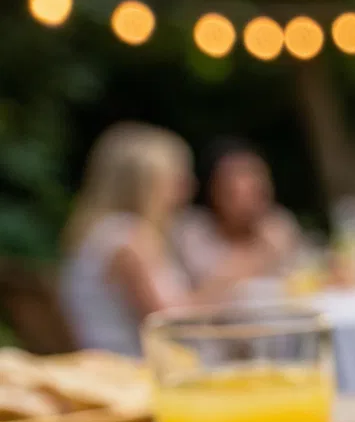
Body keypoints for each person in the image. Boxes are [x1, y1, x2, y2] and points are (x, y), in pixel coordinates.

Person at [59, 123, 265, 356]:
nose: (189, 188)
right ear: (147, 185)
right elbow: (171, 326)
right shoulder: (130, 240)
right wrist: (233, 271)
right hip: (138, 372)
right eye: (176, 179)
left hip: (116, 367)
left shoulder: (103, 233)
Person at [174, 138, 300, 289]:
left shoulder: (279, 222)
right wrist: (263, 253)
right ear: (214, 191)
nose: (255, 188)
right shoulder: (193, 232)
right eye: (236, 190)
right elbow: (202, 290)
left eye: (258, 191)